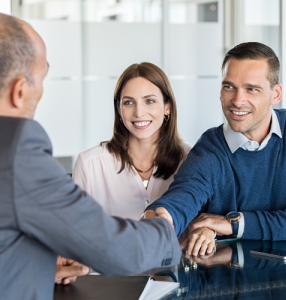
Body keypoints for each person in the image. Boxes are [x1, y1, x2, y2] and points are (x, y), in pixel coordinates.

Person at [0, 13, 181, 300]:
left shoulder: (191, 158)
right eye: (41, 79)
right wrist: (165, 226)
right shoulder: (14, 153)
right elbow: (114, 249)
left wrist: (44, 265)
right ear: (20, 91)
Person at [144, 42, 286, 252]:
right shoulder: (210, 149)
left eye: (251, 89)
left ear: (276, 94)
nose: (237, 100)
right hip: (232, 281)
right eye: (229, 87)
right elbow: (185, 194)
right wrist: (163, 217)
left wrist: (232, 224)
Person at [73, 62, 191, 220]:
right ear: (119, 110)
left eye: (149, 101)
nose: (139, 112)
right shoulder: (90, 165)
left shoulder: (190, 159)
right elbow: (76, 234)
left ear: (167, 107)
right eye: (128, 102)